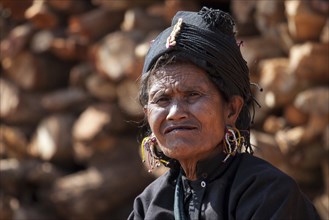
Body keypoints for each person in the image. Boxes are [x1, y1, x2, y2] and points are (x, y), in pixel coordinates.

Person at [128, 7, 320, 220]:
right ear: (147, 113)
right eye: (162, 99)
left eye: (192, 94)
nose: (174, 113)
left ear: (231, 109)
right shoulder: (149, 205)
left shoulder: (268, 194)